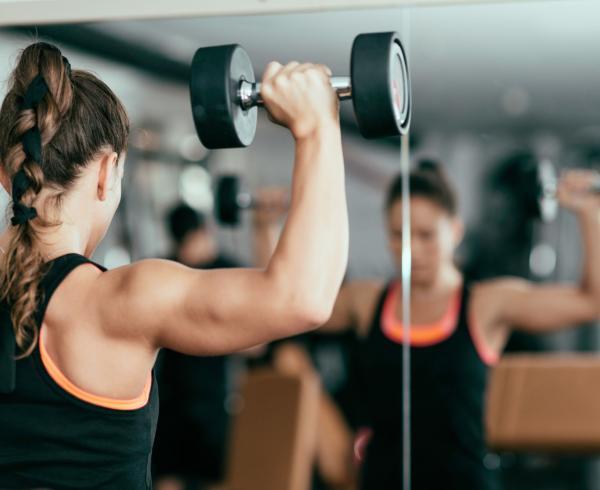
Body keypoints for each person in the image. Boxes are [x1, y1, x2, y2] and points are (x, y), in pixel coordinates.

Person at [0, 42, 348, 489]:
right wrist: (317, 126)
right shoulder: (118, 303)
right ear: (108, 172)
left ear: (7, 175)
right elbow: (304, 297)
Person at [254, 159, 600, 490]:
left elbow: (591, 301)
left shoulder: (485, 305)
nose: (411, 250)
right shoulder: (367, 302)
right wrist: (265, 228)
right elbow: (285, 304)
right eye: (398, 235)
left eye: (425, 235)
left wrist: (589, 213)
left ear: (455, 230)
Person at [152, 204, 240, 490]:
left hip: (204, 401)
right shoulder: (170, 269)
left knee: (211, 477)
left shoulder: (221, 268)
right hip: (179, 401)